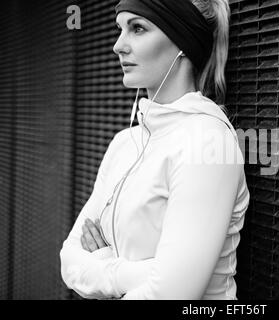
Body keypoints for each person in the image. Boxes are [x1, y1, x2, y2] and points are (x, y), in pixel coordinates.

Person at [59, 0, 250, 300]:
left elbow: (173, 294)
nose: (118, 46)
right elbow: (69, 259)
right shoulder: (124, 143)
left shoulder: (209, 142)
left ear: (182, 41)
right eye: (120, 29)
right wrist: (135, 273)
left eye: (137, 28)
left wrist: (101, 265)